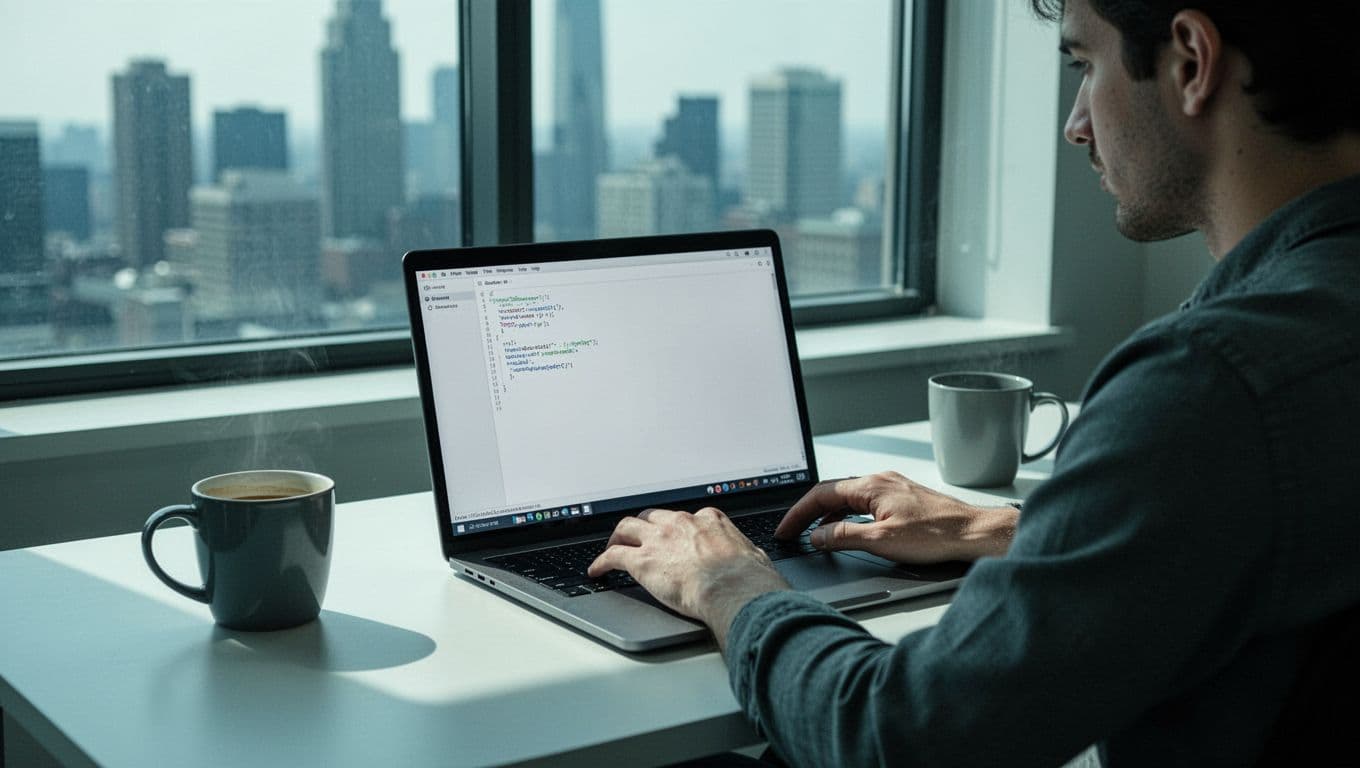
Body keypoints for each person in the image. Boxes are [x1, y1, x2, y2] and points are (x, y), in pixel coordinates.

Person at [588, 0, 1360, 764]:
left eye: (1085, 66)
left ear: (1191, 62)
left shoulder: (1208, 386)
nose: (1076, 123)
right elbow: (1257, 537)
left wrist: (730, 586)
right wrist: (997, 531)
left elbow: (898, 736)